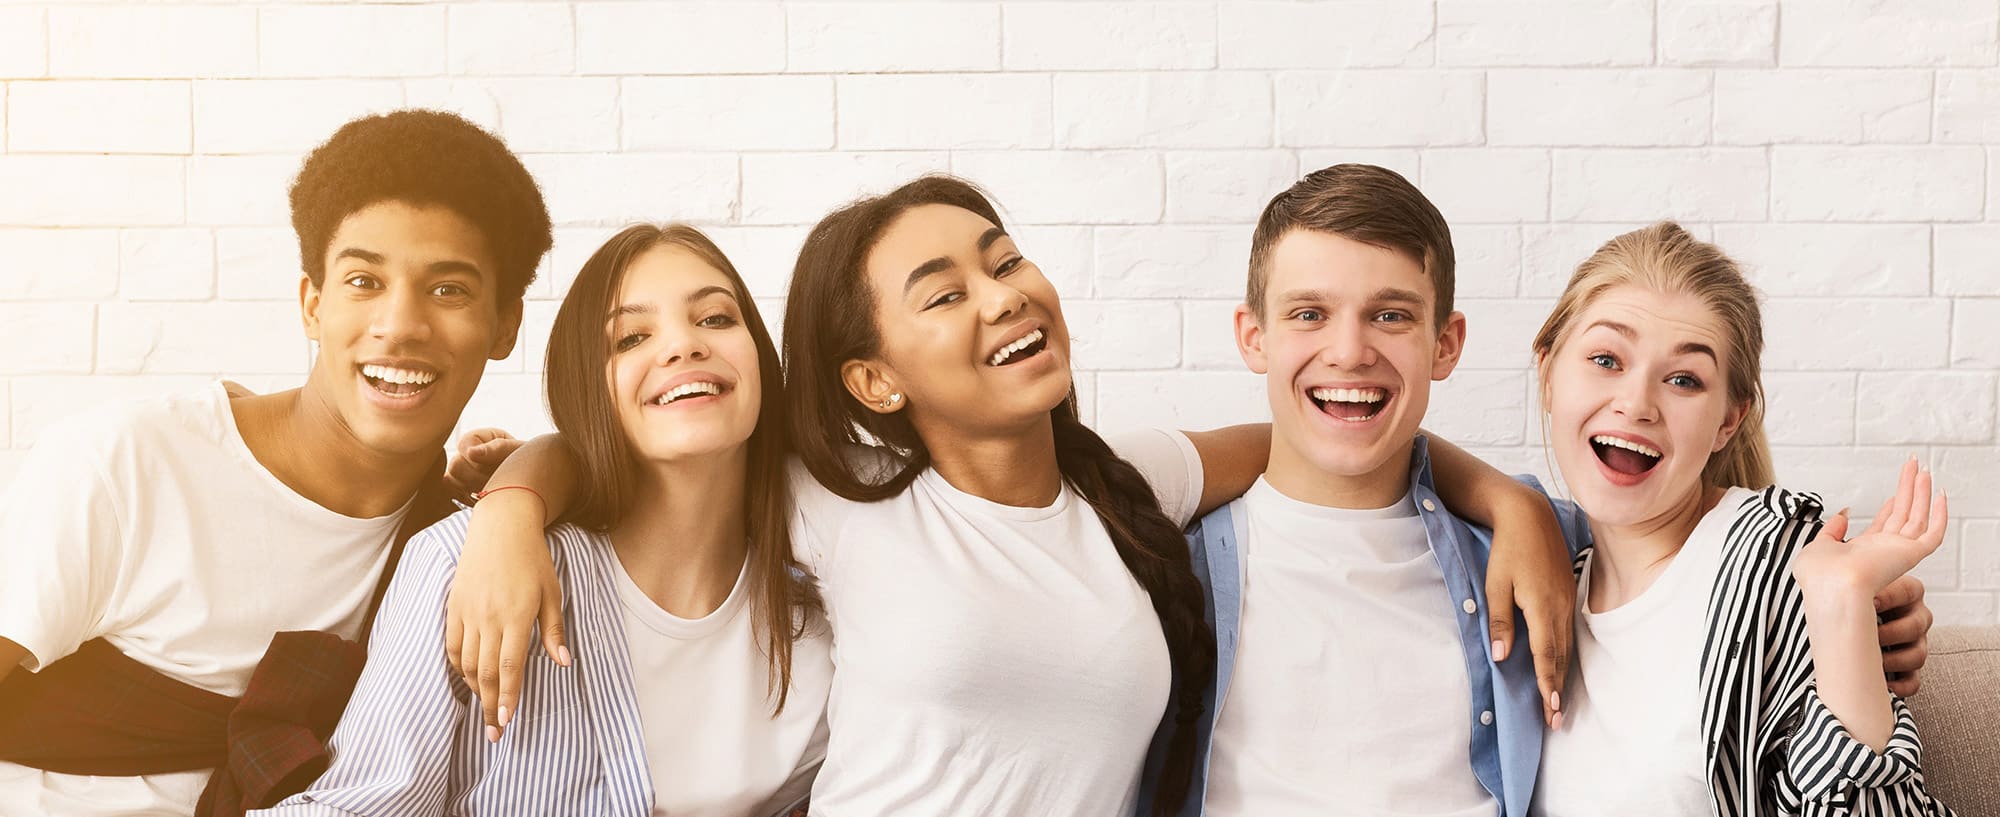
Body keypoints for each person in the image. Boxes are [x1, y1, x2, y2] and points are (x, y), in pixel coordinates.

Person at [442, 176, 1575, 816]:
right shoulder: (842, 494)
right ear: (873, 378)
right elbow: (646, 436)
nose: (1000, 296)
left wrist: (1509, 502)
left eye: (1003, 259)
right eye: (941, 294)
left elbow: (1323, 435)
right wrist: (508, 505)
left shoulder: (1121, 485)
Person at [1144, 166, 1936, 817]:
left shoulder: (1561, 553)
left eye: (1390, 315)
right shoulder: (1164, 565)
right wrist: (1509, 499)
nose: (1349, 351)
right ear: (1254, 336)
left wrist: (1844, 614)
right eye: (1309, 313)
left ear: (1446, 343)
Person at [0, 109, 552, 816]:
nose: (400, 324)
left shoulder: (443, 536)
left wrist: (520, 494)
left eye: (448, 289)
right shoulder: (131, 465)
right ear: (312, 304)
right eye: (363, 281)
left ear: (505, 324)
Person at [259, 224, 830, 817]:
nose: (683, 346)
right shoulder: (465, 566)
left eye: (715, 319)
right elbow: (360, 807)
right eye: (632, 336)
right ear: (588, 390)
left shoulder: (829, 604)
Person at [1527, 223, 1953, 816]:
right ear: (1548, 372)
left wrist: (1839, 604)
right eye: (1605, 359)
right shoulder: (1546, 576)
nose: (1637, 403)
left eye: (1684, 380)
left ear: (1729, 420)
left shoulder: (1777, 562)